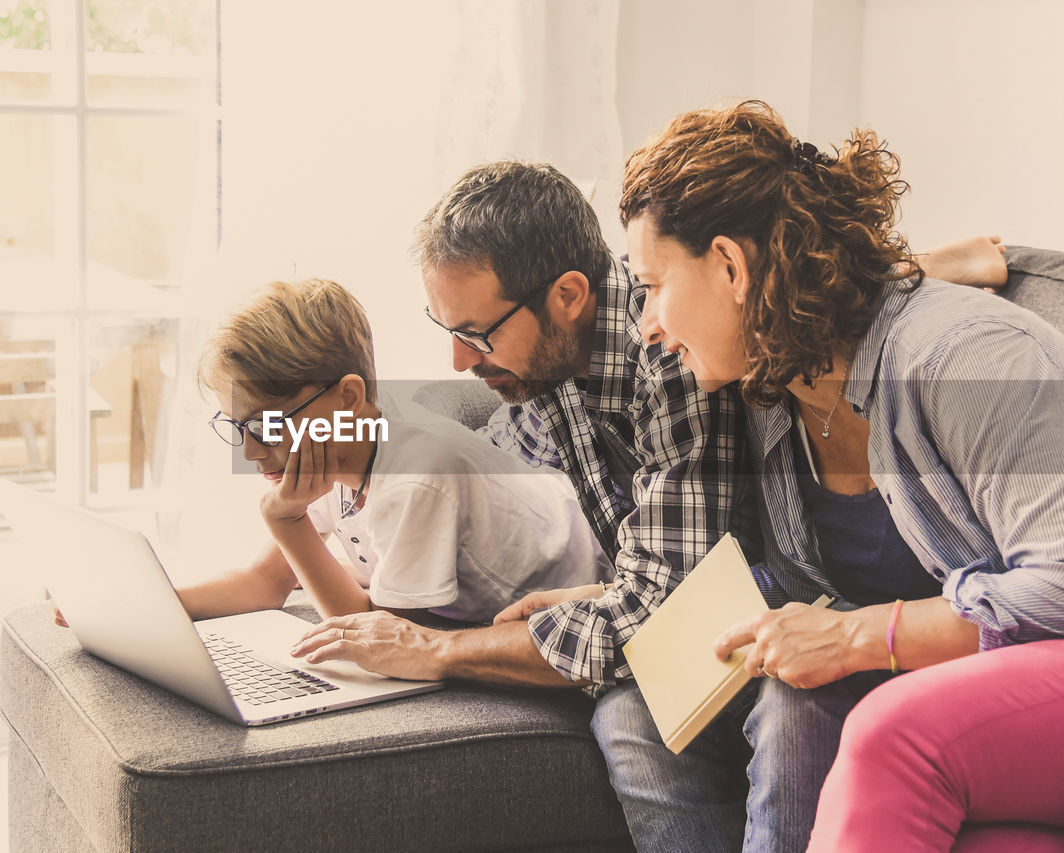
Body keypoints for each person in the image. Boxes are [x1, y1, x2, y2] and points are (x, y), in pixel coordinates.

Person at [290, 159, 1011, 851]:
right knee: (631, 722)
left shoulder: (676, 350)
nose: (459, 360)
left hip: (765, 599)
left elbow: (653, 609)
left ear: (569, 295)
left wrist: (442, 650)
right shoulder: (554, 369)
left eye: (475, 333)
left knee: (738, 711)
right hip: (721, 592)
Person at [617, 100, 1064, 851]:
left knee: (883, 725)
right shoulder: (774, 388)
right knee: (717, 706)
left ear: (730, 264)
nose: (647, 324)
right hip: (973, 710)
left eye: (653, 284)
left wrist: (859, 636)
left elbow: (1058, 586)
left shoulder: (969, 357)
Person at [186, 277, 610, 625]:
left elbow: (376, 640)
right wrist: (149, 611)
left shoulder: (417, 475)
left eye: (267, 426)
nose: (251, 453)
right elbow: (262, 583)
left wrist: (286, 521)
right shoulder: (337, 446)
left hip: (596, 592)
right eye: (238, 427)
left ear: (348, 398)